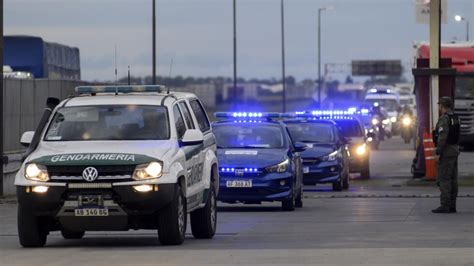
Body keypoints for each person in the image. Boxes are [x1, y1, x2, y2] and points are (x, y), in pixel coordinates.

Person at [432, 97, 461, 214]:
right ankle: (452, 205)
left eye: (440, 105)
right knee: (453, 179)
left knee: (444, 178)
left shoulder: (445, 119)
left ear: (442, 106)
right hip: (454, 150)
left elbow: (442, 137)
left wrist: (438, 152)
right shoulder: (456, 117)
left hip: (447, 151)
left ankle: (445, 205)